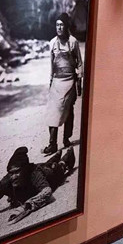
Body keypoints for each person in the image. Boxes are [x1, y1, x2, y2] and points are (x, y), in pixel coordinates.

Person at [0, 146, 75, 232]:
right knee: (46, 163)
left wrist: (27, 206)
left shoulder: (35, 173)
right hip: (39, 168)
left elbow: (46, 191)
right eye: (11, 173)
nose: (13, 176)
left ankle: (66, 153)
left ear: (25, 170)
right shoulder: (7, 179)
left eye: (17, 172)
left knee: (58, 167)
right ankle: (56, 155)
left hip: (49, 173)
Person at [43, 13, 83, 154]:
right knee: (53, 112)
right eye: (57, 25)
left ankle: (66, 138)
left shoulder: (73, 42)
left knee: (68, 111)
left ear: (66, 26)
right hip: (57, 81)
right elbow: (51, 65)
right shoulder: (52, 43)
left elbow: (79, 63)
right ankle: (52, 144)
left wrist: (79, 82)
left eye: (61, 25)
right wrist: (50, 81)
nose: (59, 27)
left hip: (70, 81)